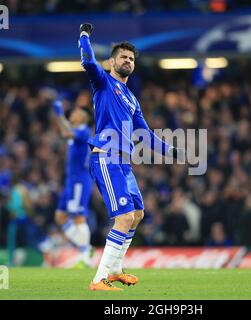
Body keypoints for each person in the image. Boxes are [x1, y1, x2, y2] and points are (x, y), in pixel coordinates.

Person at [79, 23, 185, 291]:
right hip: (106, 157)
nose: (127, 60)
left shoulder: (131, 99)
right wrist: (84, 36)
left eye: (131, 58)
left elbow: (146, 135)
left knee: (137, 213)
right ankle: (98, 280)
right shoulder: (103, 82)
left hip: (123, 163)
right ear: (112, 61)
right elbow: (88, 60)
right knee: (124, 217)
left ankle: (114, 269)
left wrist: (171, 151)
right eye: (123, 57)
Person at [52, 100, 93, 266]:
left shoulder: (84, 131)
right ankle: (85, 247)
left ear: (83, 117)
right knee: (60, 217)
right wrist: (59, 116)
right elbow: (65, 131)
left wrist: (59, 115)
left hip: (79, 182)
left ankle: (85, 254)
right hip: (71, 182)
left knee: (78, 217)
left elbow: (66, 133)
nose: (72, 114)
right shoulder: (76, 131)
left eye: (75, 112)